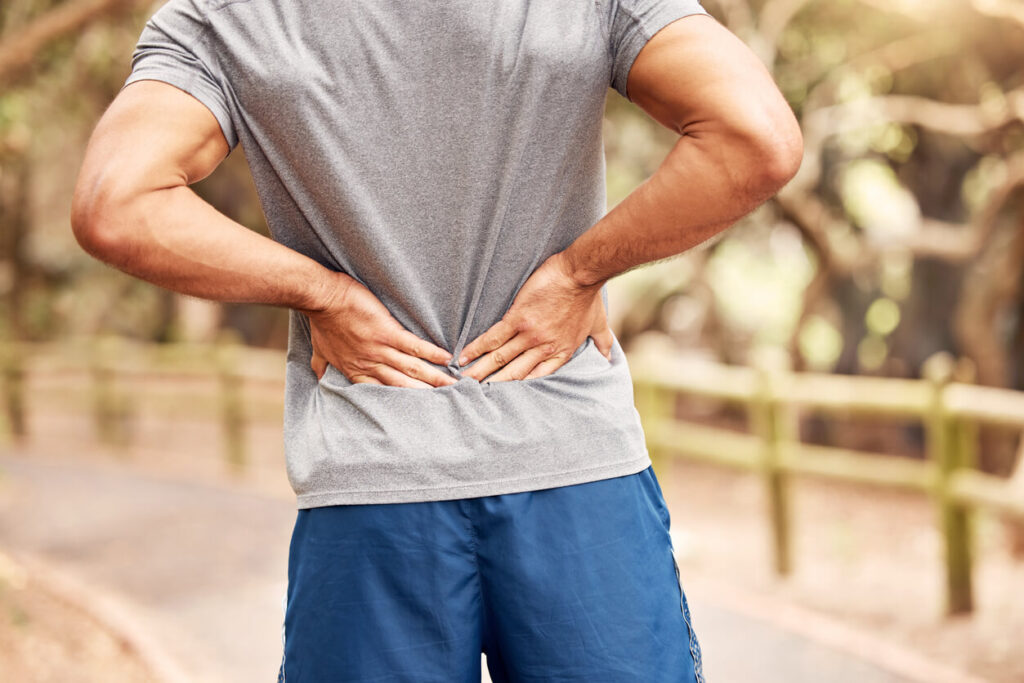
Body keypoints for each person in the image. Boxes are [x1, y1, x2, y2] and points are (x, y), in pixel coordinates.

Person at [71, 0, 801, 680]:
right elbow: (755, 136)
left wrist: (321, 292)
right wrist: (580, 272)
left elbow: (117, 200)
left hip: (375, 483)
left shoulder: (232, 16)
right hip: (574, 473)